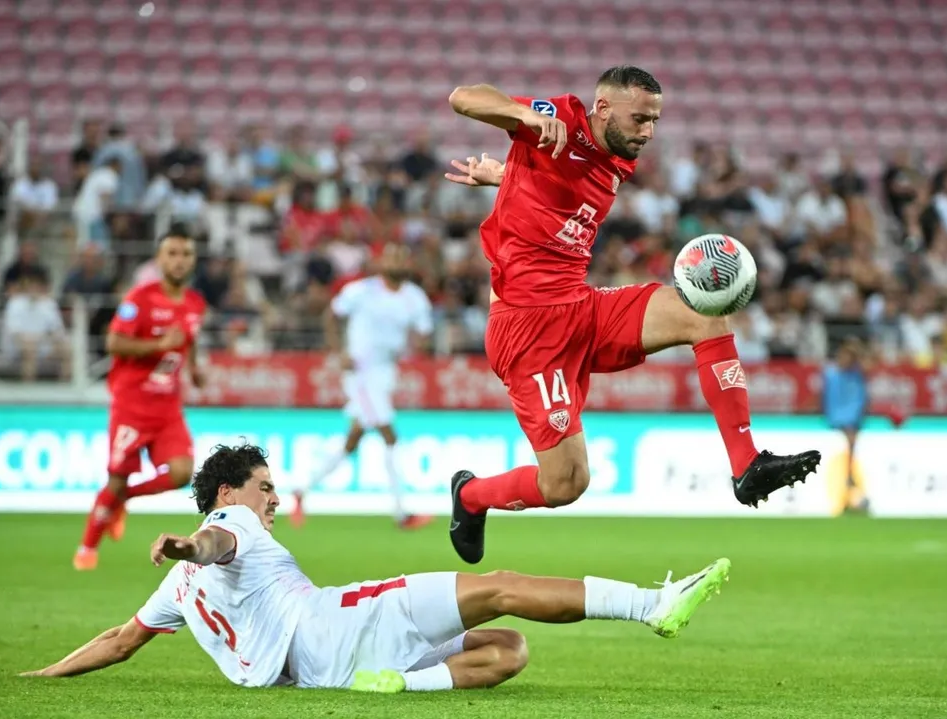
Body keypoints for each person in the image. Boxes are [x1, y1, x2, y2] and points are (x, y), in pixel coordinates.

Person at [440, 65, 821, 564]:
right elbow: (463, 97)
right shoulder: (561, 118)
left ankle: (747, 464)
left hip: (582, 307)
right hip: (528, 328)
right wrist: (521, 113)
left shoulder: (618, 155)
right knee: (565, 483)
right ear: (602, 109)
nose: (648, 132)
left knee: (703, 311)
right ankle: (470, 497)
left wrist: (505, 177)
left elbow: (554, 193)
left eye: (655, 121)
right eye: (640, 119)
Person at [24, 443, 730, 692]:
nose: (273, 497)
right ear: (227, 492)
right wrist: (186, 541)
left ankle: (401, 685)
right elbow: (214, 546)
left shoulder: (174, 590)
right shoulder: (225, 522)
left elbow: (121, 639)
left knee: (509, 649)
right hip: (336, 623)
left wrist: (46, 674)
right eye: (265, 486)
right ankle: (651, 605)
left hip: (322, 669)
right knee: (502, 585)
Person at [73, 226, 207, 571]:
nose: (179, 261)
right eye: (172, 254)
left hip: (167, 407)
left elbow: (188, 339)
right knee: (116, 478)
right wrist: (157, 346)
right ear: (160, 259)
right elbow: (114, 343)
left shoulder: (195, 303)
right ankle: (87, 547)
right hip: (132, 404)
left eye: (186, 254)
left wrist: (193, 368)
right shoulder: (139, 299)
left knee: (182, 472)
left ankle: (124, 500)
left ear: (194, 260)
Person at [292, 242, 435, 530]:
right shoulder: (361, 290)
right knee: (388, 434)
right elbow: (331, 316)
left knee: (353, 439)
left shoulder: (415, 298)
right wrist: (338, 352)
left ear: (407, 264)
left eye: (400, 256)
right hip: (360, 372)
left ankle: (301, 489)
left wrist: (412, 347)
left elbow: (424, 335)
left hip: (385, 373)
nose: (395, 261)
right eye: (390, 256)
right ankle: (401, 513)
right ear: (381, 263)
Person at [822, 337, 869, 511]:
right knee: (845, 442)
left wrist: (857, 349)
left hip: (853, 419)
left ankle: (851, 481)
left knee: (852, 441)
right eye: (842, 355)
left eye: (849, 356)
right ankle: (847, 481)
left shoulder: (857, 373)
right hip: (837, 419)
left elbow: (869, 364)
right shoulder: (831, 373)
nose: (845, 360)